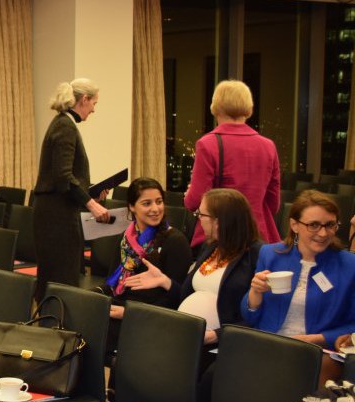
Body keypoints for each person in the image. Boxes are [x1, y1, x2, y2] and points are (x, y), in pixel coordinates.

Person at [125, 188, 263, 345]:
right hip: (186, 333)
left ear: (219, 221)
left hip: (223, 344)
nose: (198, 220)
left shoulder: (256, 254)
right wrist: (165, 281)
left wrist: (217, 334)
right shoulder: (211, 247)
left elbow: (258, 316)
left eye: (201, 215)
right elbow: (186, 295)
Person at [242, 190, 355, 352]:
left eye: (330, 225)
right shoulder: (270, 254)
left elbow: (353, 326)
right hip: (266, 345)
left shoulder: (349, 265)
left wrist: (315, 340)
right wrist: (255, 293)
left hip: (315, 351)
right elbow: (249, 317)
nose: (323, 233)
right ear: (294, 225)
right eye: (314, 225)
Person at [33, 78, 110, 302]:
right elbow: (62, 177)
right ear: (84, 100)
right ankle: (57, 329)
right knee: (61, 279)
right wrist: (91, 204)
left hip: (54, 212)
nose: (94, 109)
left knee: (55, 277)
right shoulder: (65, 126)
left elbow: (64, 176)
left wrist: (89, 193)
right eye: (94, 103)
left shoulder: (61, 123)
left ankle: (52, 326)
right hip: (56, 217)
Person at [100, 178, 191, 358]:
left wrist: (131, 313)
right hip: (123, 304)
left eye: (159, 202)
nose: (155, 209)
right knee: (83, 319)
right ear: (132, 207)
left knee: (95, 334)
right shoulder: (126, 239)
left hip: (153, 315)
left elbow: (178, 297)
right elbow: (112, 283)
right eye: (146, 203)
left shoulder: (175, 241)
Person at [184, 79, 281, 249]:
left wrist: (188, 196)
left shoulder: (208, 144)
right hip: (258, 235)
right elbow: (273, 204)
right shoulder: (268, 146)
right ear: (249, 108)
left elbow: (195, 201)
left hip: (220, 237)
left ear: (216, 107)